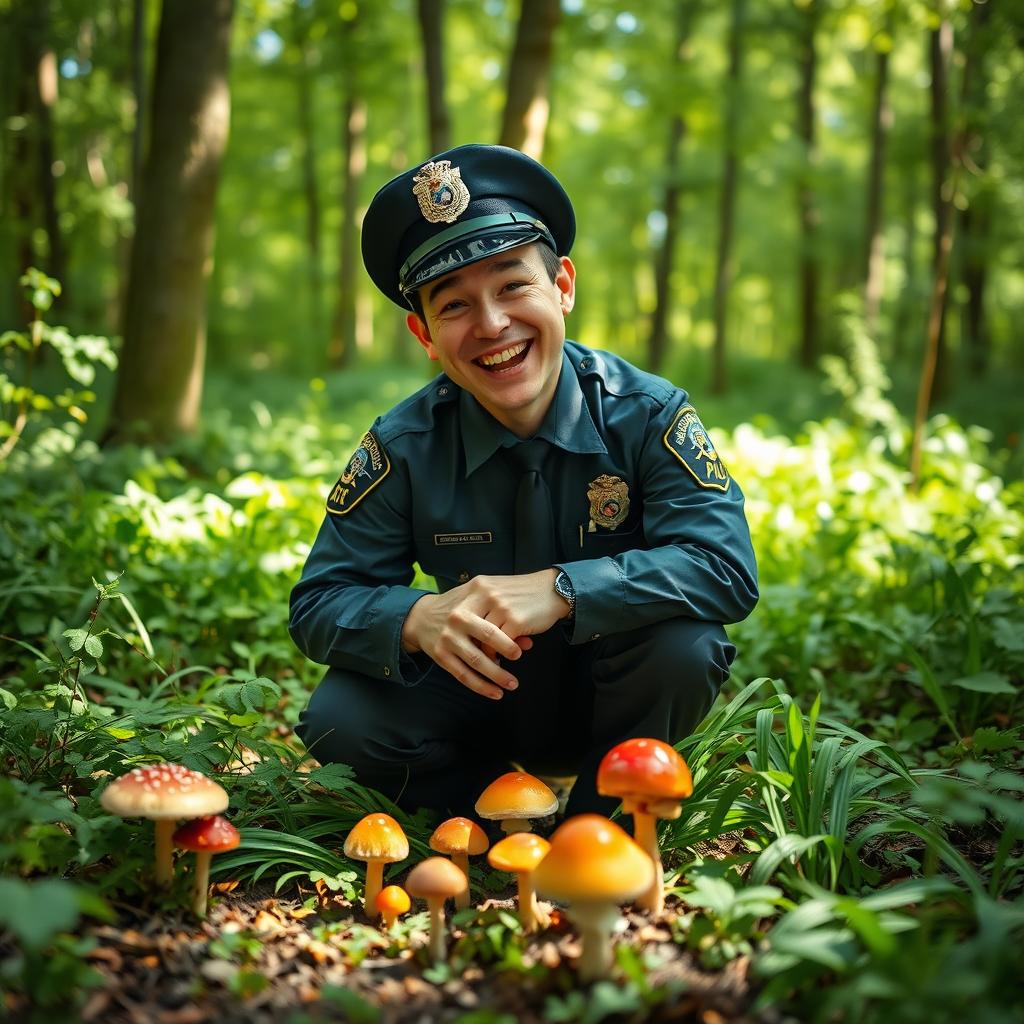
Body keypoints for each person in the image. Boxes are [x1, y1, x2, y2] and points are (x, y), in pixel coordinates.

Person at [289, 144, 758, 822]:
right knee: (339, 717)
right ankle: (499, 828)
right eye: (454, 306)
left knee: (684, 647)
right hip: (477, 701)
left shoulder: (646, 415)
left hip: (616, 697)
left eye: (513, 286)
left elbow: (724, 567)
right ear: (423, 332)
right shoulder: (404, 446)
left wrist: (565, 589)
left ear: (562, 286)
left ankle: (600, 828)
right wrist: (416, 618)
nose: (491, 325)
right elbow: (318, 602)